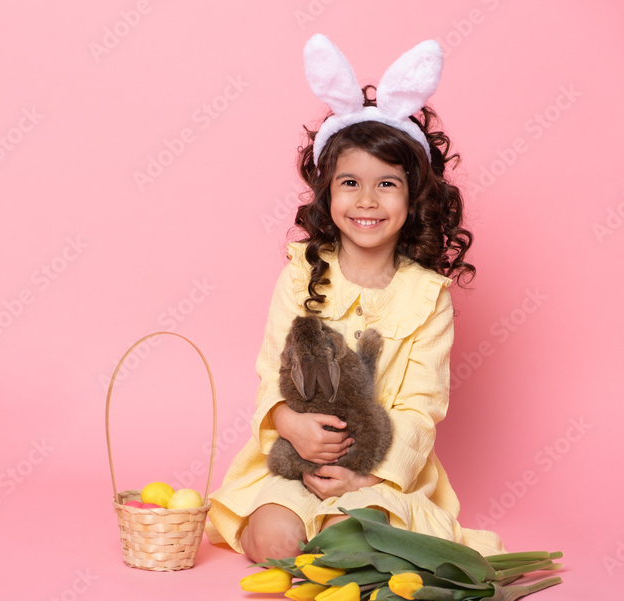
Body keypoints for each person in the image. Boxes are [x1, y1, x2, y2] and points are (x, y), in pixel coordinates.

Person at [206, 34, 505, 562]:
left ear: (415, 200)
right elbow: (271, 370)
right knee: (274, 541)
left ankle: (350, 537)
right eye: (350, 182)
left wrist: (364, 472)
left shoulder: (426, 296)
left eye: (387, 184)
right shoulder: (301, 276)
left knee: (368, 541)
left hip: (376, 469)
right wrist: (291, 425)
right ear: (326, 191)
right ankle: (300, 533)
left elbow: (421, 406)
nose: (367, 200)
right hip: (294, 457)